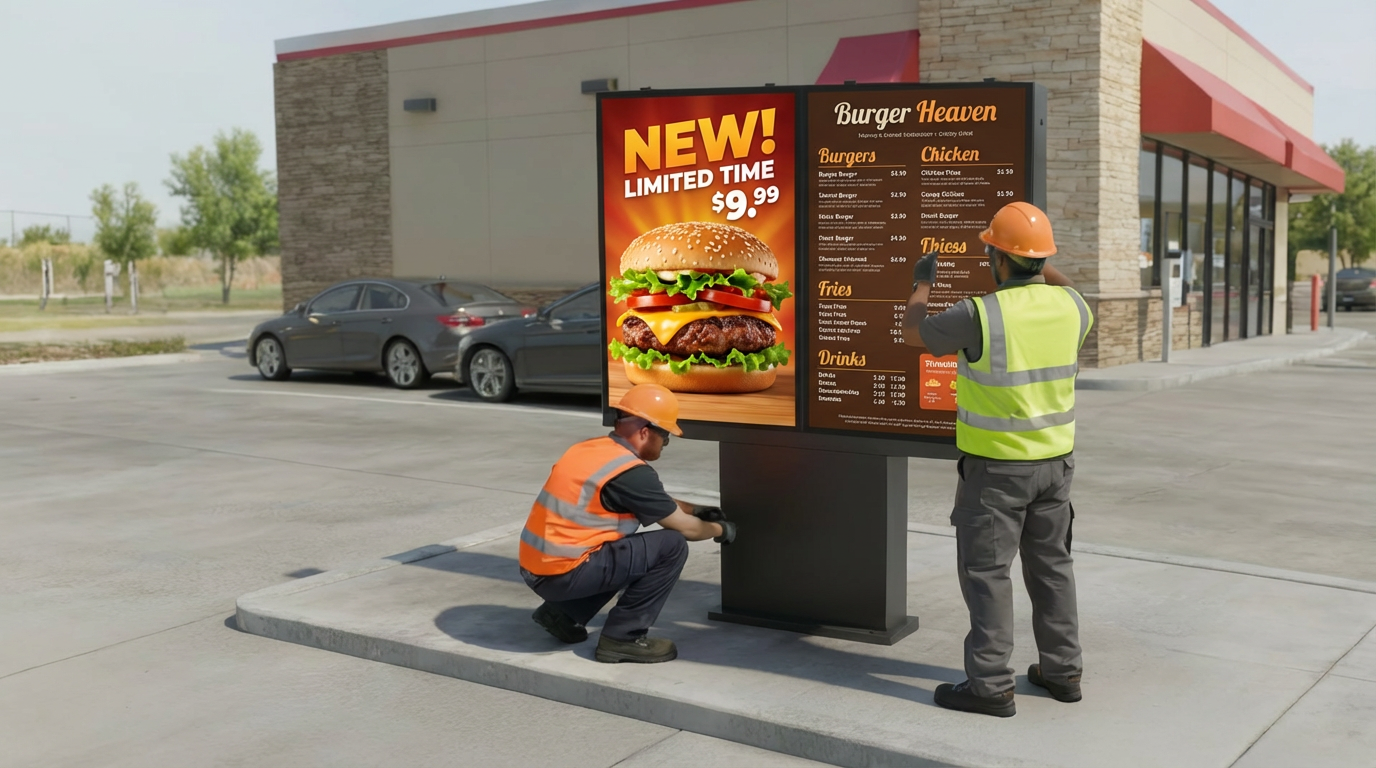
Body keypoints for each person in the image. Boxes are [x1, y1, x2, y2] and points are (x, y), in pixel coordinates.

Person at [903, 202, 1093, 717]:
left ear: (997, 258)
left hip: (996, 473)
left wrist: (922, 283)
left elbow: (912, 332)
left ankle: (989, 686)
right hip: (1057, 468)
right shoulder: (1074, 306)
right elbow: (1063, 281)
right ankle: (1063, 672)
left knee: (988, 575)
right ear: (1042, 259)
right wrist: (1031, 252)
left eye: (993, 250)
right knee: (1053, 567)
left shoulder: (979, 313)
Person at [519, 383, 736, 664]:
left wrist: (695, 508)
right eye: (666, 435)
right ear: (645, 432)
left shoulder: (592, 449)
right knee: (670, 546)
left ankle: (562, 614)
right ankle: (623, 638)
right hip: (563, 574)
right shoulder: (631, 474)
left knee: (621, 550)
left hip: (537, 567)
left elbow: (646, 499)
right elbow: (688, 530)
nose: (666, 443)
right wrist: (724, 530)